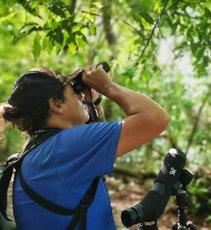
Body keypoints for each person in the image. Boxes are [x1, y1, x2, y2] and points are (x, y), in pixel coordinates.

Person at [0, 63, 170, 229]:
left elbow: (95, 147)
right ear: (56, 104)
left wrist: (93, 103)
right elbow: (156, 118)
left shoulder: (38, 151)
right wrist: (107, 86)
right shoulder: (66, 147)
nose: (80, 95)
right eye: (74, 92)